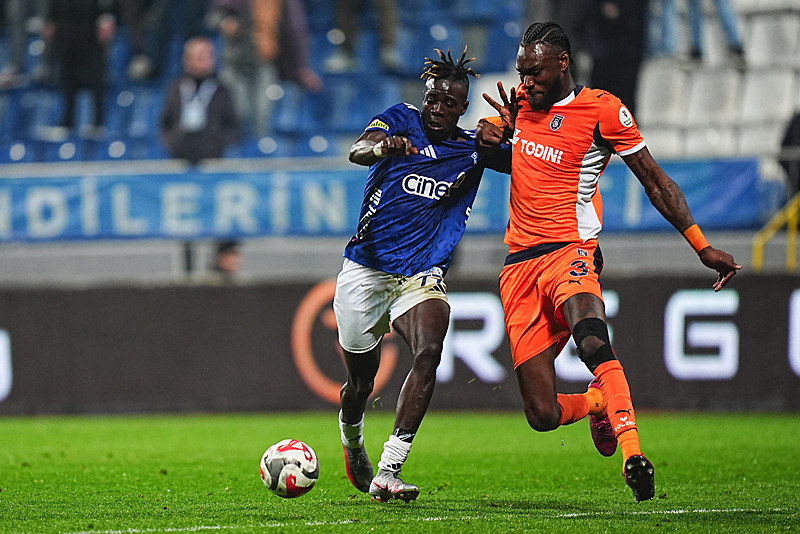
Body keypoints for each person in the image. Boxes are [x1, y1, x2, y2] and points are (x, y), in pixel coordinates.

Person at [476, 21, 741, 502]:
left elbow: (655, 182)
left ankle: (633, 454)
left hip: (571, 251)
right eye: (521, 72)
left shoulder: (602, 110)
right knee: (541, 414)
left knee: (593, 341)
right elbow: (519, 163)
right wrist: (491, 142)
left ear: (562, 63)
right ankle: (598, 402)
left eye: (534, 72)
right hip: (518, 266)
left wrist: (701, 246)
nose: (526, 82)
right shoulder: (521, 105)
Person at [334, 48, 511, 502]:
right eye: (433, 98)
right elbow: (357, 151)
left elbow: (529, 164)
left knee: (430, 349)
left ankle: (389, 469)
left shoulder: (473, 148)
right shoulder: (400, 119)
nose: (437, 109)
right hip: (366, 271)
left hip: (419, 273)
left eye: (449, 103)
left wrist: (515, 130)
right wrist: (382, 147)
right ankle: (353, 440)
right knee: (361, 384)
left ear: (462, 108)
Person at [158, 36, 240, 164]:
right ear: (186, 59)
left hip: (214, 160)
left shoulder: (222, 90)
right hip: (179, 159)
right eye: (198, 57)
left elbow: (232, 125)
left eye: (207, 56)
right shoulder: (176, 89)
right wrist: (173, 142)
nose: (203, 61)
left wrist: (218, 145)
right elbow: (165, 122)